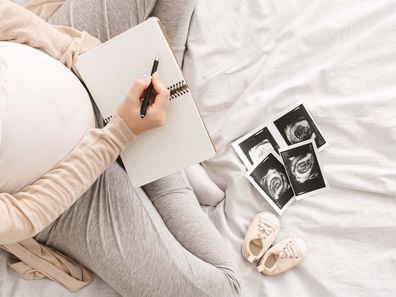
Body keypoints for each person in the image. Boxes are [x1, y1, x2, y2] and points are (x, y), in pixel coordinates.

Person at [0, 0, 241, 296]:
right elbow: (21, 216)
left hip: (69, 60)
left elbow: (5, 18)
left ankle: (162, 107)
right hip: (69, 196)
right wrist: (121, 132)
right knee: (221, 291)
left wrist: (84, 55)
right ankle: (162, 153)